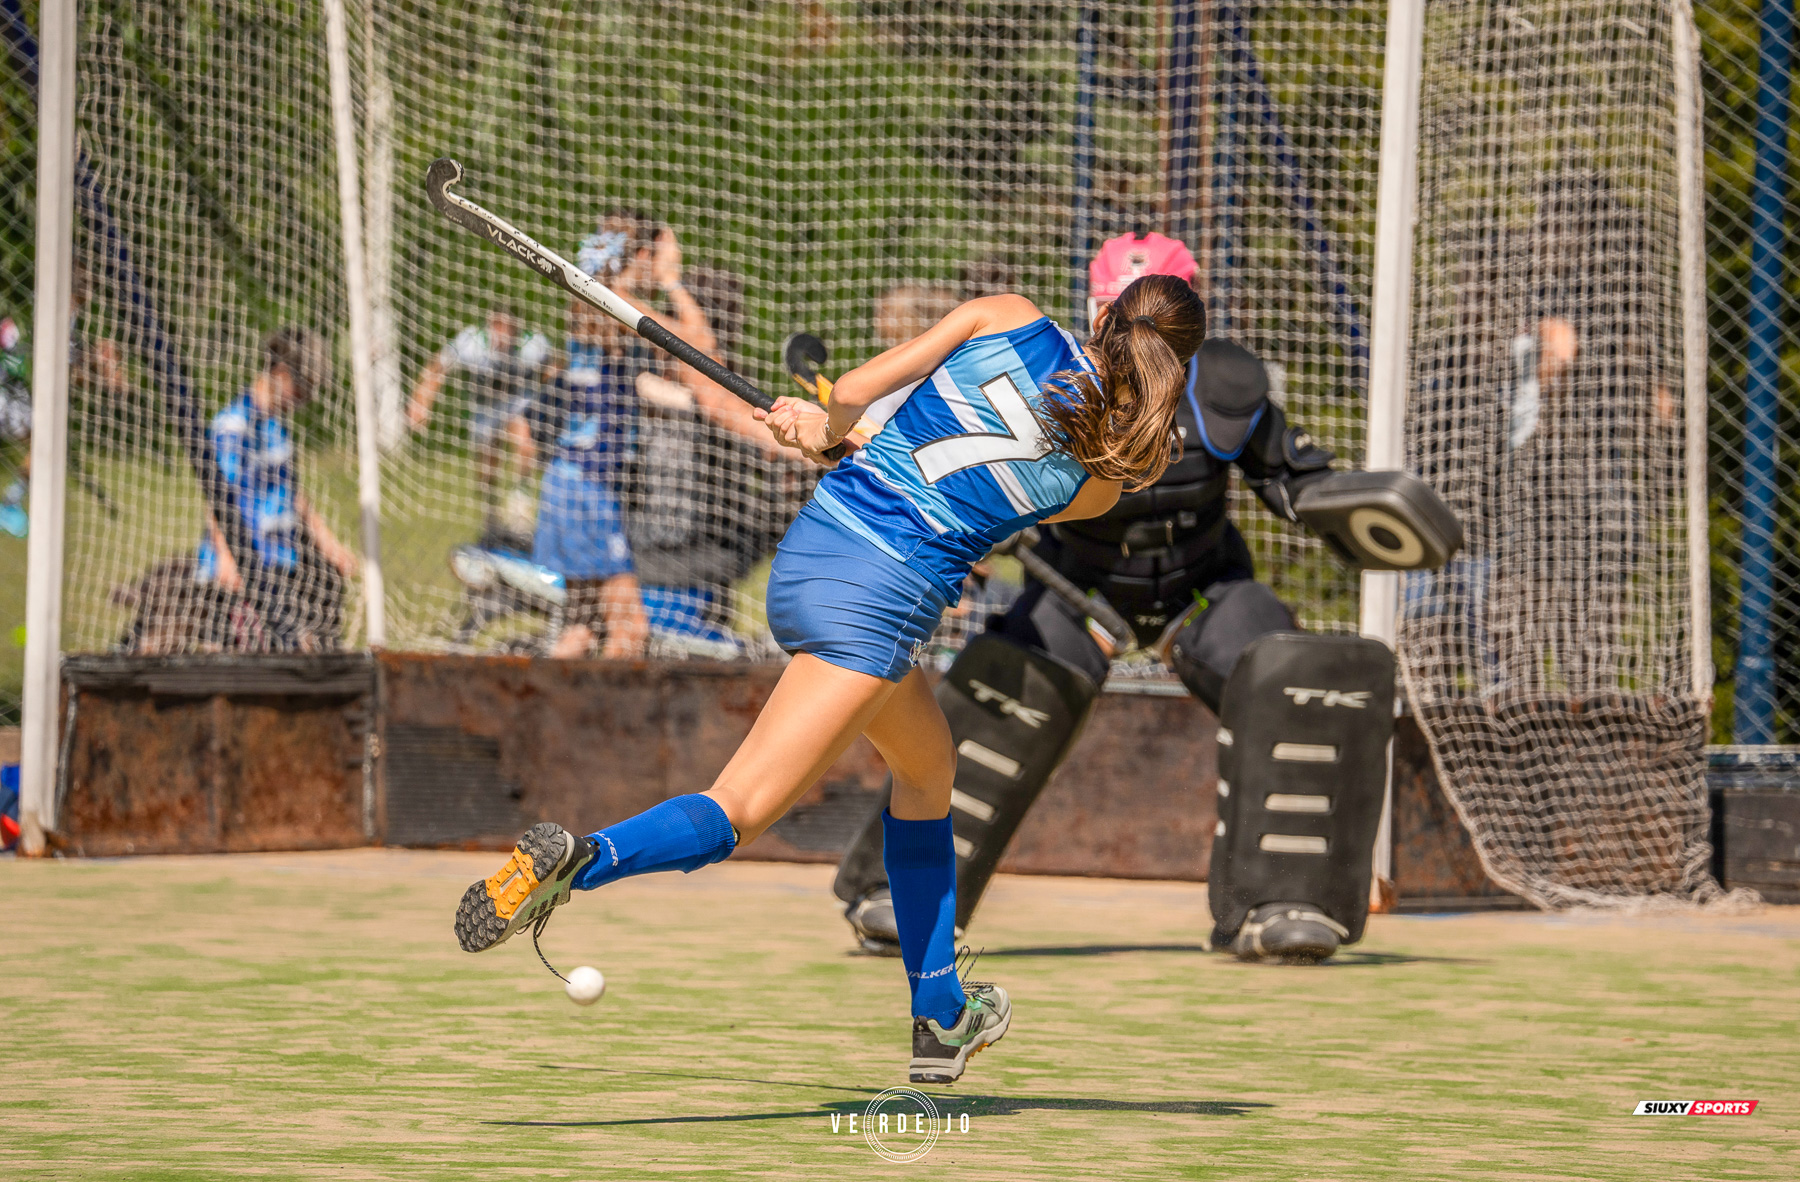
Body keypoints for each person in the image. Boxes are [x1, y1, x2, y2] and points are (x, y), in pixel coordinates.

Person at [453, 274, 1206, 1084]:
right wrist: (840, 434)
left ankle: (941, 1014)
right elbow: (975, 494)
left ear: (1104, 313)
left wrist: (828, 431)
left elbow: (852, 396)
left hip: (814, 557)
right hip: (875, 607)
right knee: (738, 811)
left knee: (928, 770)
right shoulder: (1101, 480)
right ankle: (579, 861)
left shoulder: (1009, 315)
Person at [832, 230, 1393, 964]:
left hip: (1201, 592)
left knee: (1291, 678)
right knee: (996, 698)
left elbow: (1296, 480)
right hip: (1079, 587)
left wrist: (1364, 512)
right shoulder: (1049, 373)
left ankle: (1285, 903)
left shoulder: (1227, 386)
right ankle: (899, 896)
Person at [197, 327, 358, 652]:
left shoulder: (277, 430)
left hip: (280, 564)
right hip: (241, 569)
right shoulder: (233, 427)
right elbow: (218, 497)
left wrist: (329, 543)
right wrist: (226, 557)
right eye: (303, 388)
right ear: (281, 374)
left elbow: (292, 496)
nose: (305, 399)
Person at [407, 307, 552, 513]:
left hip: (517, 401)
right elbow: (438, 367)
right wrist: (420, 402)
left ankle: (520, 500)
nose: (502, 332)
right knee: (487, 462)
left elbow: (552, 369)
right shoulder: (472, 343)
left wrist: (551, 405)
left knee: (525, 441)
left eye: (507, 327)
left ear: (516, 328)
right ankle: (490, 511)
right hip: (485, 406)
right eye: (497, 325)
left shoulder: (532, 346)